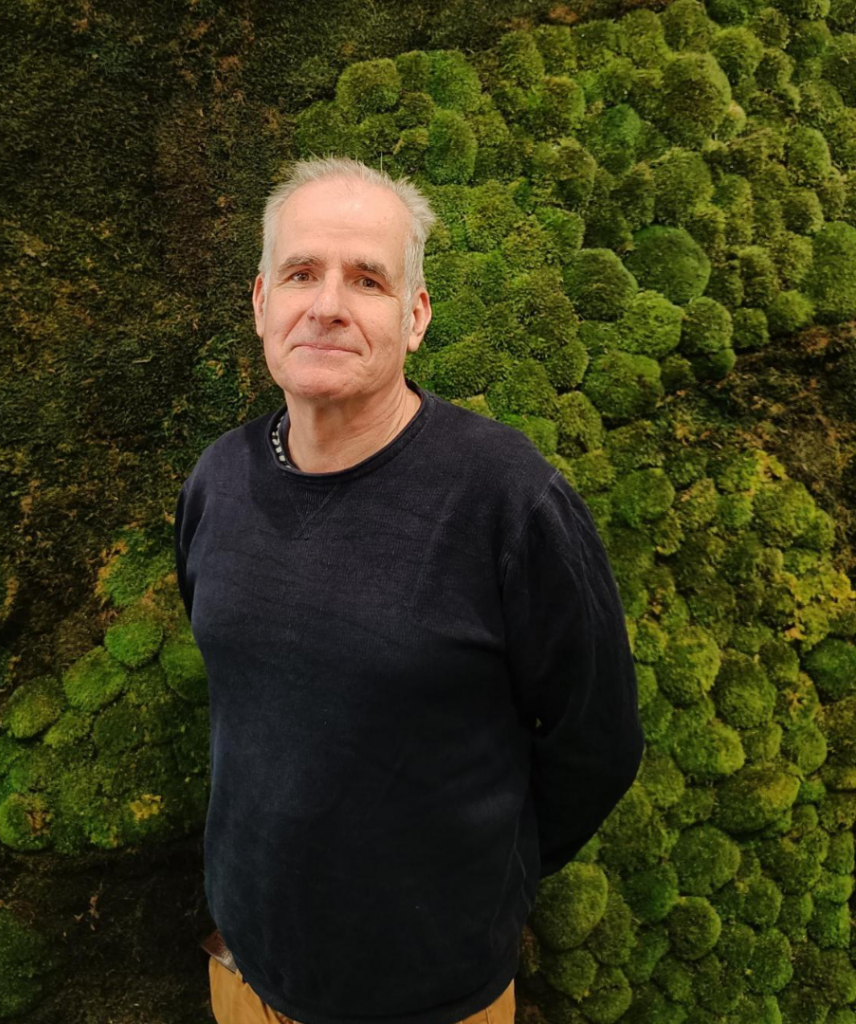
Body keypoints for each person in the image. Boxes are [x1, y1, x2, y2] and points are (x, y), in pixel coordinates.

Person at [174, 156, 645, 1024]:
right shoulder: (219, 480)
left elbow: (599, 745)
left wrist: (471, 886)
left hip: (431, 999)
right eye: (300, 273)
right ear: (260, 303)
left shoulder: (507, 497)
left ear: (416, 315)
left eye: (368, 280)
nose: (326, 305)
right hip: (244, 972)